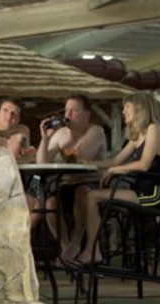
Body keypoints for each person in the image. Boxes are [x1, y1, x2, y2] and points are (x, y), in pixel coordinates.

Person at [68, 91, 160, 265]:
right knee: (88, 194)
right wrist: (86, 162)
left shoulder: (155, 128)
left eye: (126, 107)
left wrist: (115, 170)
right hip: (139, 190)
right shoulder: (138, 135)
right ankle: (92, 250)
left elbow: (144, 165)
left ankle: (92, 251)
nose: (123, 111)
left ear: (139, 108)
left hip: (155, 194)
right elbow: (114, 160)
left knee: (93, 196)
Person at [36, 93, 108, 249]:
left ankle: (76, 243)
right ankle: (66, 247)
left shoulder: (96, 131)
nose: (67, 115)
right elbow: (41, 162)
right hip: (68, 184)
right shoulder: (61, 134)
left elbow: (81, 159)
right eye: (66, 110)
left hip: (92, 184)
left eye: (73, 111)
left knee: (81, 192)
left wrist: (71, 138)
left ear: (86, 115)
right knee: (49, 204)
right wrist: (45, 138)